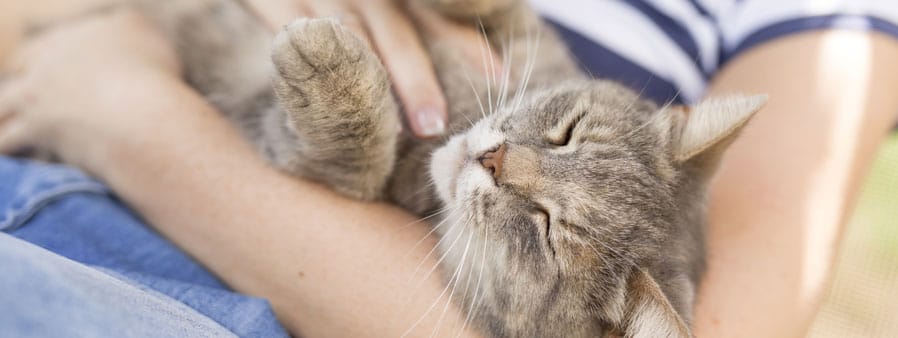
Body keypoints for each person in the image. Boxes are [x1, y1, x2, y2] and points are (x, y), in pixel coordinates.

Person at [1, 0, 898, 337]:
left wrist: (123, 115)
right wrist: (96, 31)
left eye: (548, 222)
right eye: (567, 133)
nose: (508, 165)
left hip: (180, 280)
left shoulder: (832, 30)